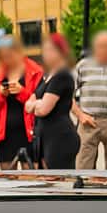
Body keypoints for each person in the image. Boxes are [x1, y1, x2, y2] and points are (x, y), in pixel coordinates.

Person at [0, 37, 42, 169]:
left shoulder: (35, 71)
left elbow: (40, 102)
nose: (7, 60)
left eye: (9, 55)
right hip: (5, 135)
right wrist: (0, 95)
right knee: (8, 177)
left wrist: (22, 92)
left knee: (30, 176)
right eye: (3, 57)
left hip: (29, 133)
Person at [72, 31, 107, 171]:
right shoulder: (83, 65)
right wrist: (80, 116)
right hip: (88, 123)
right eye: (101, 46)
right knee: (83, 169)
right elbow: (67, 95)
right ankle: (84, 186)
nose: (105, 49)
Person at [29, 33, 79, 171]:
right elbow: (28, 103)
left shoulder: (62, 76)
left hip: (60, 137)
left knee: (58, 177)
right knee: (46, 177)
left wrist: (35, 104)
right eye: (45, 49)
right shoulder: (46, 76)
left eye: (50, 50)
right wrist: (36, 104)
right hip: (44, 136)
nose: (46, 54)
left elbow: (43, 109)